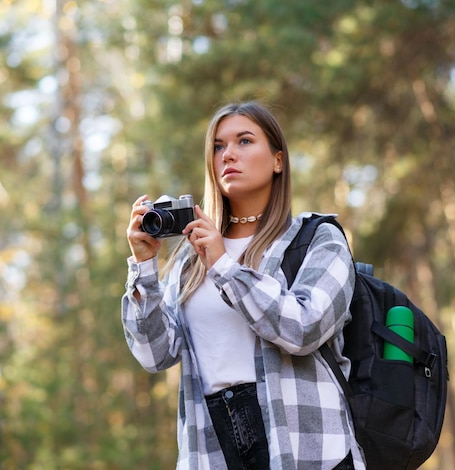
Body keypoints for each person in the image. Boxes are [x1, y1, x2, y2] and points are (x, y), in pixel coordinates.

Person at [122, 101, 365, 469]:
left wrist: (224, 265)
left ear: (278, 160)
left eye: (245, 141)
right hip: (213, 450)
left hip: (309, 452)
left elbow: (304, 328)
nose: (228, 154)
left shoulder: (317, 239)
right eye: (218, 146)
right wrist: (144, 266)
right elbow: (155, 356)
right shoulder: (191, 258)